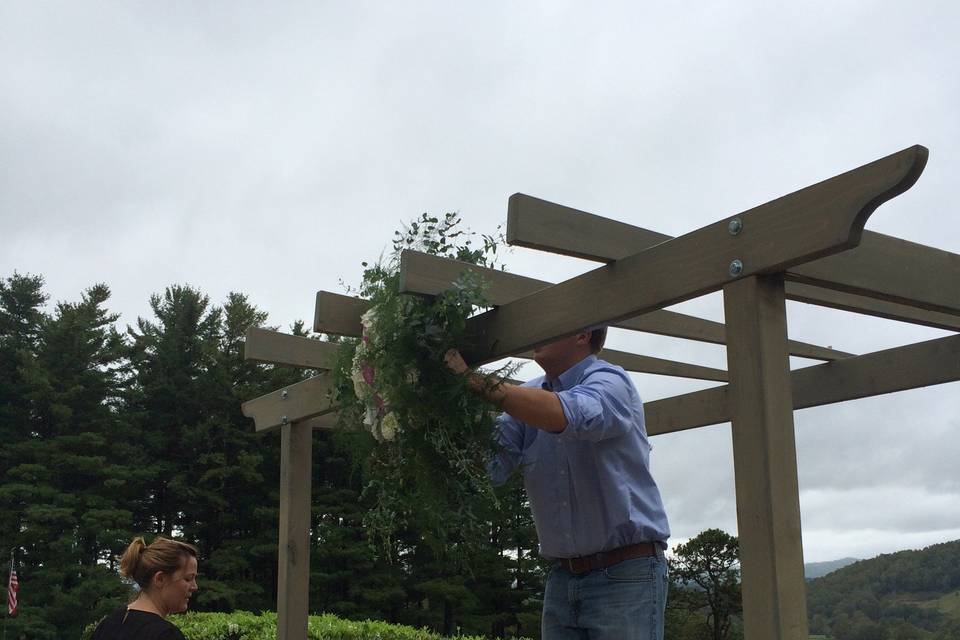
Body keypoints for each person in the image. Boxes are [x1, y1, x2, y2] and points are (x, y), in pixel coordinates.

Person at [445, 327, 670, 640]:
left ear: (583, 334)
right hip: (563, 576)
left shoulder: (610, 381)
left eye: (550, 325)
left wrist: (477, 383)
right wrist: (440, 410)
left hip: (625, 574)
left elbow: (570, 414)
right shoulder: (527, 395)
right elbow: (487, 468)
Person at [91, 536, 199, 640]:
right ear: (160, 579)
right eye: (188, 579)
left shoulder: (107, 626)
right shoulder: (165, 635)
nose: (195, 587)